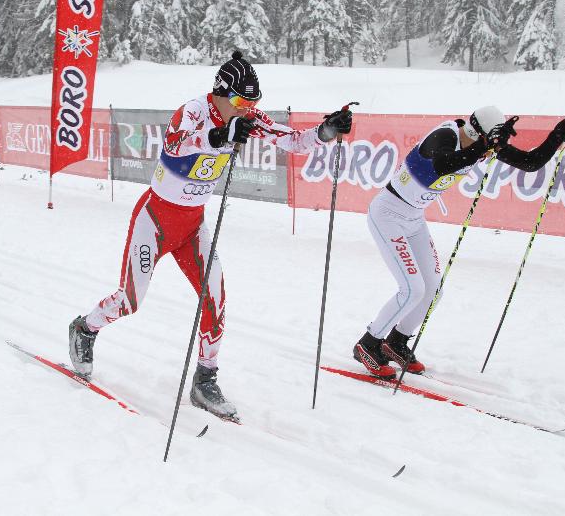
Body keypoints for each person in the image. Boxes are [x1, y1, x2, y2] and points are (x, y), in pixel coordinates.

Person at [67, 50, 354, 421]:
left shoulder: (246, 117)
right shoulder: (194, 111)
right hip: (155, 221)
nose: (248, 109)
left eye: (253, 103)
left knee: (215, 300)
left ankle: (205, 380)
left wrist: (327, 131)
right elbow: (175, 144)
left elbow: (293, 141)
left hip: (192, 227)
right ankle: (85, 328)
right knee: (131, 300)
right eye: (241, 102)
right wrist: (218, 136)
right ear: (219, 93)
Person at [352, 106, 565, 379]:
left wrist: (558, 136)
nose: (489, 146)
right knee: (413, 289)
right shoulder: (445, 136)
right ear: (476, 132)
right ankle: (368, 344)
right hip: (388, 214)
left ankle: (396, 342)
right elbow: (439, 167)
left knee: (433, 290)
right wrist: (484, 146)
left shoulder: (480, 144)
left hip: (414, 219)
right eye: (486, 140)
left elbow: (529, 162)